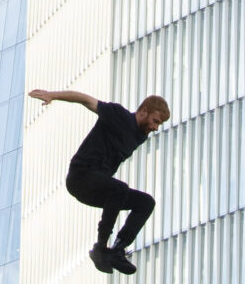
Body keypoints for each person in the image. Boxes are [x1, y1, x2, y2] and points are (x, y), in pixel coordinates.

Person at [28, 86, 169, 274]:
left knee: (145, 202)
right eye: (155, 121)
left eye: (159, 125)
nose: (155, 128)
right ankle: (100, 248)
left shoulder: (140, 136)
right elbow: (85, 99)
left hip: (98, 188)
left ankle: (117, 250)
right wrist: (53, 95)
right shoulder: (117, 115)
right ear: (144, 111)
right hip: (81, 176)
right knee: (119, 189)